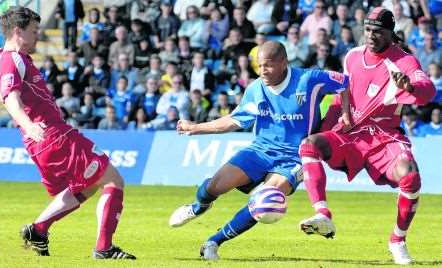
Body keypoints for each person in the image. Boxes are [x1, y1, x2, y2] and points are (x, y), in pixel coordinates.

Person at [169, 41, 350, 260]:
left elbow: (346, 83)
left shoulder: (309, 79)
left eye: (268, 65)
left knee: (266, 202)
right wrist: (195, 128)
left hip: (294, 157)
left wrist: (346, 114)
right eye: (259, 65)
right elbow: (235, 121)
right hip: (260, 150)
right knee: (216, 186)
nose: (262, 71)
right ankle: (199, 206)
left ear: (283, 63)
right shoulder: (256, 89)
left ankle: (213, 242)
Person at [0, 7, 135, 259]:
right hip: (52, 136)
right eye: (34, 31)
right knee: (113, 180)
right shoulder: (9, 59)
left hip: (45, 139)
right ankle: (103, 248)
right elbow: (10, 98)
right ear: (17, 31)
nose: (38, 36)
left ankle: (38, 230)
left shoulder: (4, 57)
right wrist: (28, 124)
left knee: (88, 186)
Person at [298, 7, 435, 265]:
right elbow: (343, 94)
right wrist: (334, 122)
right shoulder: (352, 56)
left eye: (378, 31)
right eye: (368, 30)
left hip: (384, 136)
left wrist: (410, 85)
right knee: (309, 146)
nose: (371, 35)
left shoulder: (404, 61)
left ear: (390, 33)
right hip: (350, 133)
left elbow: (426, 90)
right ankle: (323, 215)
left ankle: (398, 240)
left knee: (411, 175)